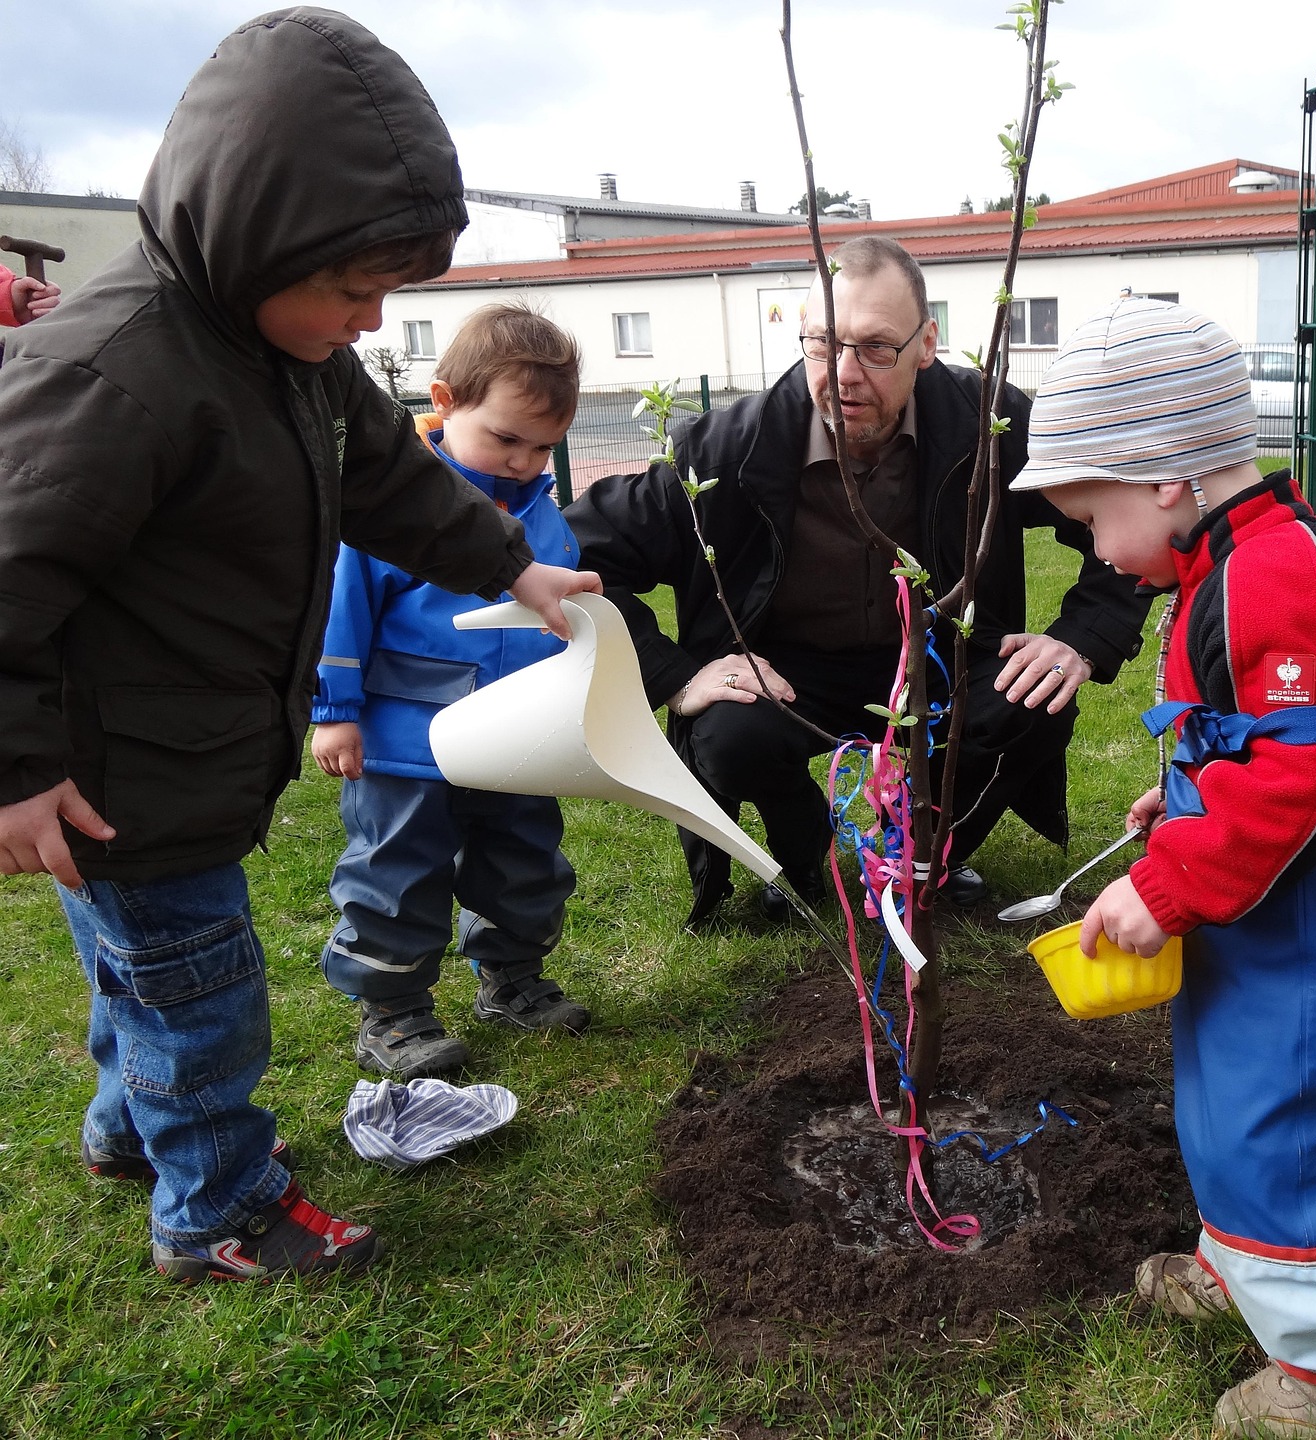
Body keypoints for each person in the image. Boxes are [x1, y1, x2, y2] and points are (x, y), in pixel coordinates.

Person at [0, 9, 598, 1283]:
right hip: (121, 775)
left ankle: (131, 1137)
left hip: (187, 746)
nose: (373, 318)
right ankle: (217, 1208)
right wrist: (13, 765)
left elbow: (396, 481)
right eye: (353, 287)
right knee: (200, 995)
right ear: (250, 232)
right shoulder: (116, 375)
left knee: (140, 982)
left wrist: (512, 564)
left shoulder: (299, 358)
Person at [1019, 299, 1316, 1438]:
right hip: (1274, 914)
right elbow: (1265, 744)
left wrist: (1166, 881)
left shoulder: (1268, 576)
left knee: (1304, 1125)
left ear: (1166, 480)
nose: (1095, 550)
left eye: (1093, 517)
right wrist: (1181, 797)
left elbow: (1307, 778)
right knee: (1239, 1105)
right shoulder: (1237, 556)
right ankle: (1252, 1265)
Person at [567, 237, 1153, 925]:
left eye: (876, 348)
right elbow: (572, 555)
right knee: (729, 736)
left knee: (1030, 699)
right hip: (789, 672)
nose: (844, 373)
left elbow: (1125, 513)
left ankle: (925, 851)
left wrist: (1083, 636)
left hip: (938, 663)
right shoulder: (726, 450)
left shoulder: (988, 428)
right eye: (823, 344)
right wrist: (674, 674)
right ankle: (806, 850)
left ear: (926, 344)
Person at [312, 303, 590, 1080]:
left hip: (515, 744)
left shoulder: (544, 517)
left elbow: (560, 622)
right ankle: (393, 1013)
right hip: (408, 746)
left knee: (525, 861)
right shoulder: (393, 513)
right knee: (397, 874)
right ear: (443, 400)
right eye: (506, 438)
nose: (525, 462)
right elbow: (340, 614)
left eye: (543, 448)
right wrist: (334, 715)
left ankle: (513, 979)